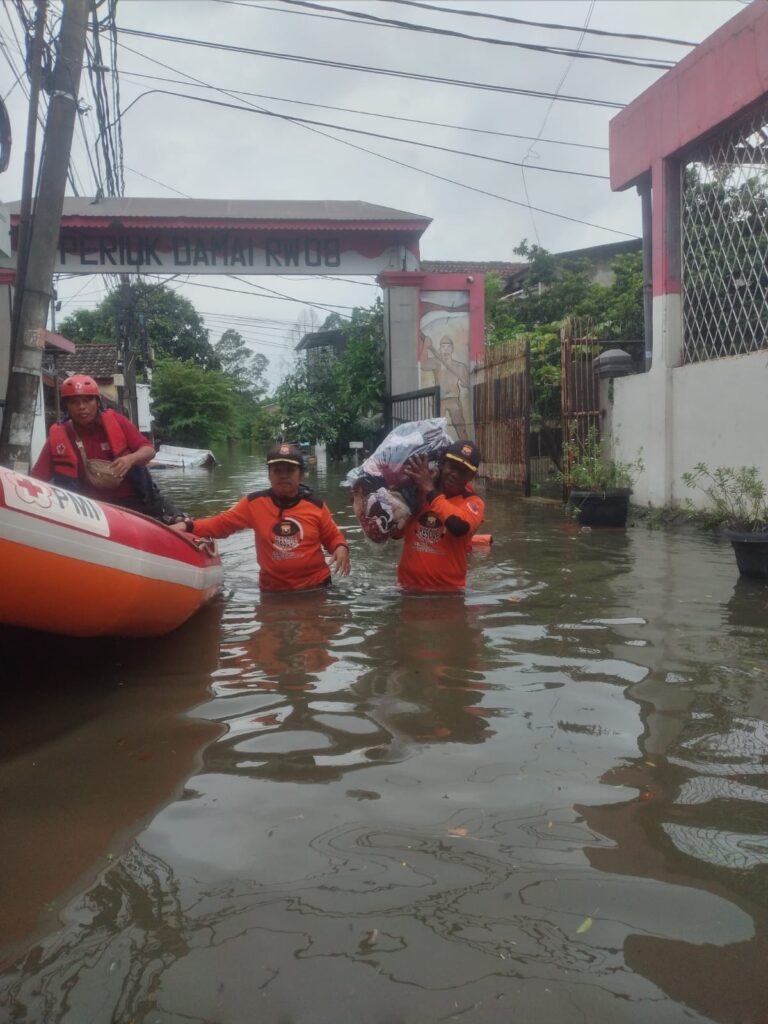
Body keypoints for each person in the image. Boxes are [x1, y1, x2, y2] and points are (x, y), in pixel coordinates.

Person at [172, 442, 350, 592]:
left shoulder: (316, 506)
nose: (283, 475)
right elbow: (221, 524)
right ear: (269, 474)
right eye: (277, 470)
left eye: (290, 470)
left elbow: (332, 536)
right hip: (272, 591)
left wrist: (341, 547)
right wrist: (188, 526)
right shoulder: (253, 503)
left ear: (301, 475)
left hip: (317, 587)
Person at [30, 374, 180, 520]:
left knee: (181, 522)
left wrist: (130, 459)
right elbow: (37, 478)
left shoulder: (117, 421)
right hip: (91, 511)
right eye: (74, 402)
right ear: (66, 407)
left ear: (97, 402)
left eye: (87, 400)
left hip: (136, 502)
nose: (82, 407)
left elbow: (149, 451)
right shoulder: (59, 436)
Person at [396, 439, 485, 592]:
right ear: (442, 464)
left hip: (449, 595)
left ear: (472, 476)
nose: (455, 474)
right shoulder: (417, 494)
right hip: (407, 591)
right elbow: (395, 534)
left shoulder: (474, 503)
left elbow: (459, 527)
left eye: (463, 471)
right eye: (452, 466)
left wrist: (429, 491)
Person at [420, 334, 470, 435]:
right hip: (439, 401)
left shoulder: (460, 367)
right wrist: (425, 346)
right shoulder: (436, 363)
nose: (445, 350)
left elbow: (466, 384)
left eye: (448, 346)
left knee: (461, 429)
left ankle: (465, 447)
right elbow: (423, 365)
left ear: (452, 349)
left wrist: (465, 383)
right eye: (443, 347)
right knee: (437, 430)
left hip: (454, 399)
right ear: (439, 349)